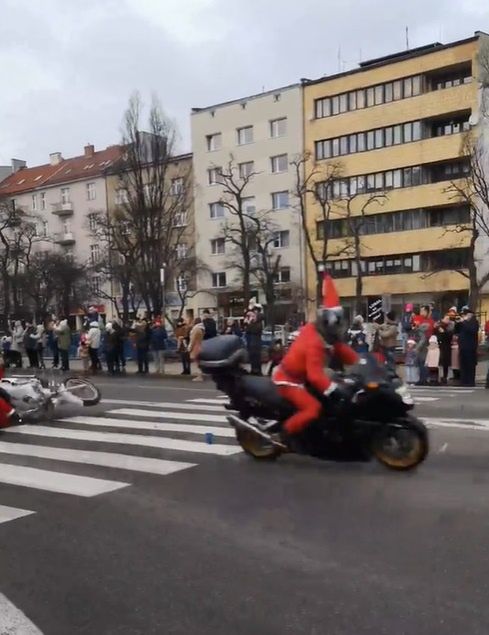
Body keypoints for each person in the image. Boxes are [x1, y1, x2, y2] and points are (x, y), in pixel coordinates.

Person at [272, 275, 358, 440]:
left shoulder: (325, 334)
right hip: (290, 380)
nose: (339, 327)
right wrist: (334, 390)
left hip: (303, 379)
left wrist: (363, 362)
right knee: (313, 408)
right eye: (337, 323)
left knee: (335, 385)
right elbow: (315, 375)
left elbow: (343, 350)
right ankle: (284, 435)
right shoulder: (315, 341)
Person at [456, 306, 479, 387]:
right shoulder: (462, 323)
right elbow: (457, 331)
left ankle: (470, 381)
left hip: (470, 347)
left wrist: (464, 322)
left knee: (470, 365)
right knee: (463, 364)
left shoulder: (474, 322)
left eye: (465, 315)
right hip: (462, 347)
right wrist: (458, 323)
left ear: (470, 314)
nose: (463, 316)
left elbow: (472, 330)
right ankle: (463, 381)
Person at [244, 302, 264, 375]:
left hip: (256, 341)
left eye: (255, 311)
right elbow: (248, 330)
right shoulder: (252, 321)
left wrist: (250, 323)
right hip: (252, 341)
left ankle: (257, 370)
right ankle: (253, 369)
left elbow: (255, 330)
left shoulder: (259, 321)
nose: (253, 313)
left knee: (257, 356)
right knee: (252, 356)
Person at [436, 316, 454, 385]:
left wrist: (443, 332)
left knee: (445, 362)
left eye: (448, 319)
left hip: (446, 346)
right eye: (446, 318)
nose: (447, 320)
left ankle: (445, 376)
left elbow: (449, 337)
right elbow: (436, 335)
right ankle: (437, 377)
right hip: (439, 346)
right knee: (439, 362)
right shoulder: (439, 325)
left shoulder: (450, 327)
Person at [188, 317, 205, 382]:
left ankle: (200, 376)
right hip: (200, 345)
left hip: (196, 346)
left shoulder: (196, 329)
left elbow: (192, 339)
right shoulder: (201, 329)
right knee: (199, 362)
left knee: (197, 362)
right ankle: (200, 375)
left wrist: (189, 347)